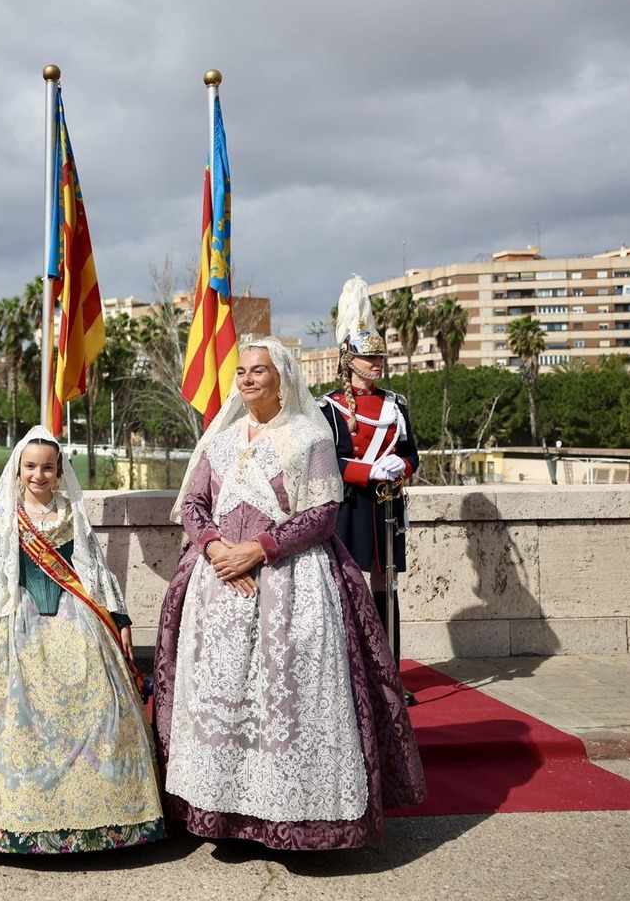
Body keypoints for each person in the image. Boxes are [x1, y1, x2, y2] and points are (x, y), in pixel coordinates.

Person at [154, 337, 425, 850]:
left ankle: (291, 815)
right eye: (242, 371)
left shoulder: (309, 437)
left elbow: (322, 515)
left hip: (292, 580)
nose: (248, 379)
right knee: (220, 696)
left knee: (284, 696)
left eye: (259, 370)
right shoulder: (220, 439)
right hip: (215, 581)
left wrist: (256, 550)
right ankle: (222, 812)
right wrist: (216, 549)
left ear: (283, 379)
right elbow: (193, 503)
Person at [0, 427, 163, 854]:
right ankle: (13, 819)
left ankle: (103, 818)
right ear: (17, 469)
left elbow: (95, 567)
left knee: (97, 703)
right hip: (17, 617)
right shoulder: (6, 513)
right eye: (30, 466)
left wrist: (119, 616)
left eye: (47, 467)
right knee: (17, 714)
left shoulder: (71, 512)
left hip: (75, 615)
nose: (39, 474)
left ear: (60, 470)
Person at [318, 276, 420, 660]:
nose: (377, 364)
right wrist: (367, 471)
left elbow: (412, 454)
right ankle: (352, 669)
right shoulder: (328, 407)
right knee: (347, 586)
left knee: (386, 587)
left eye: (380, 358)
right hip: (350, 505)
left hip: (386, 505)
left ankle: (389, 668)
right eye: (369, 358)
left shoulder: (396, 404)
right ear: (349, 360)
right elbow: (326, 462)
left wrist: (400, 465)